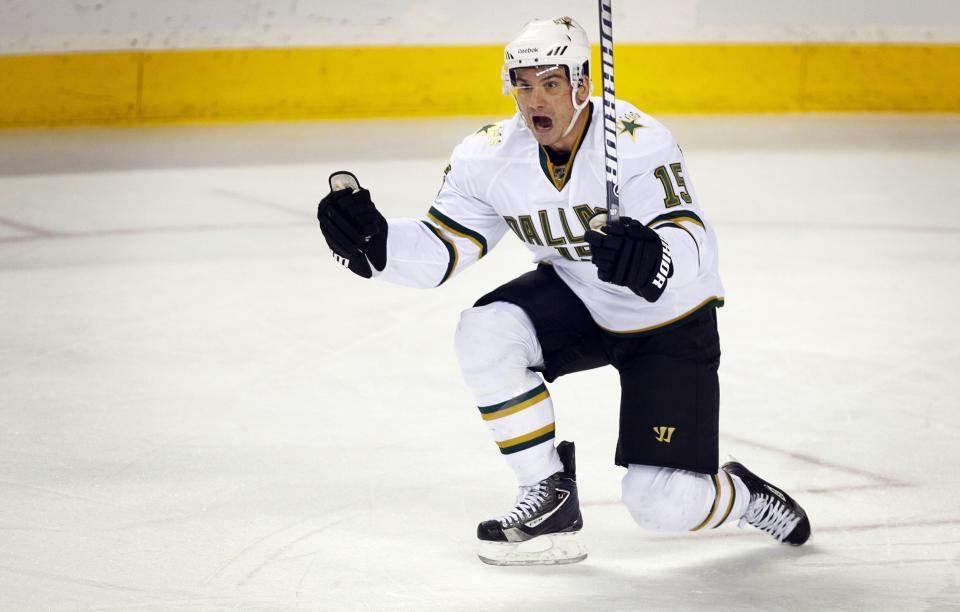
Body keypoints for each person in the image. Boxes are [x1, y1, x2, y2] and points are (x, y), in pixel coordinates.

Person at [317, 16, 811, 566]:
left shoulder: (638, 144)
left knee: (661, 505)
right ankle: (548, 494)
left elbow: (691, 235)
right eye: (523, 84)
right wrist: (378, 247)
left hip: (667, 317)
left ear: (582, 84)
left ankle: (741, 494)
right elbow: (442, 247)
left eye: (550, 82)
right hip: (578, 295)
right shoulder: (490, 156)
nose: (534, 100)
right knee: (484, 331)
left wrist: (656, 258)